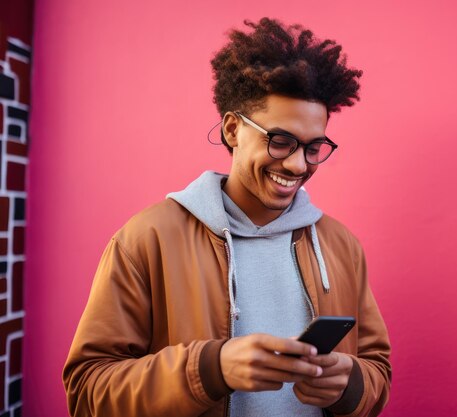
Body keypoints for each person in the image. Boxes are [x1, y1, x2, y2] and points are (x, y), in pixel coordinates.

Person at [63, 17, 391, 417]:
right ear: (233, 129)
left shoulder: (341, 246)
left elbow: (377, 370)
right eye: (281, 141)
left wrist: (351, 384)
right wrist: (211, 369)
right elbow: (86, 391)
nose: (297, 165)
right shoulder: (146, 239)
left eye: (313, 147)